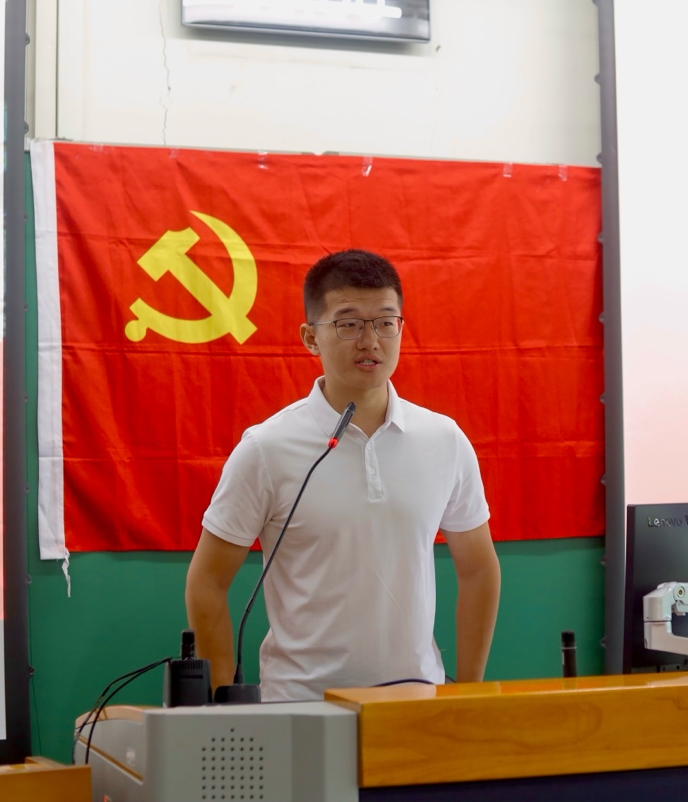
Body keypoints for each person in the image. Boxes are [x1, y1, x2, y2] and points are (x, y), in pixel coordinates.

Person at [185, 249, 501, 701]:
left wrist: (467, 694)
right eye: (349, 324)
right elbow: (207, 583)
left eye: (385, 322)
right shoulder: (266, 448)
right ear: (310, 337)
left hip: (414, 704)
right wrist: (221, 704)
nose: (370, 341)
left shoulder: (444, 439)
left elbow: (478, 569)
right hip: (299, 707)